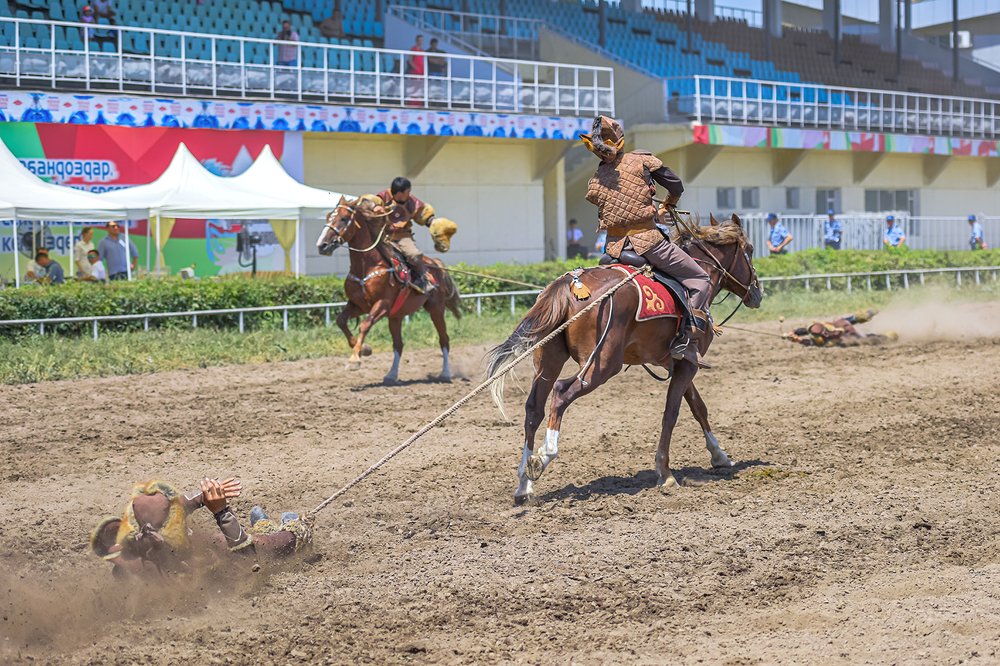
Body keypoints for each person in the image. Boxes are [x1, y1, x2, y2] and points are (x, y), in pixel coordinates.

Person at [581, 115, 711, 363]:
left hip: (613, 249)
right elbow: (676, 185)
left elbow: (614, 206)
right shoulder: (641, 161)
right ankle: (685, 340)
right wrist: (667, 205)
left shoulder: (598, 177)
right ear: (621, 140)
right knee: (700, 279)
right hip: (648, 243)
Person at [89, 478, 311, 580]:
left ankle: (267, 527)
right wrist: (222, 512)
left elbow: (175, 506)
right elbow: (249, 563)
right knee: (261, 545)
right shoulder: (143, 570)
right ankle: (292, 530)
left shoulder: (149, 537)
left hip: (213, 554)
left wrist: (205, 496)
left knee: (219, 543)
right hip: (226, 568)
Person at [374, 176, 437, 293]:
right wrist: (375, 208)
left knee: (414, 254)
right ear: (399, 193)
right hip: (381, 237)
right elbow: (369, 203)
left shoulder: (413, 201)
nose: (409, 193)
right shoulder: (382, 197)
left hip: (402, 236)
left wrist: (433, 222)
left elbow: (423, 214)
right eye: (408, 191)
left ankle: (423, 278)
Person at [783, 309, 897, 347]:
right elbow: (807, 330)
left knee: (867, 339)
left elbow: (811, 341)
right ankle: (869, 313)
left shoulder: (822, 339)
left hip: (846, 335)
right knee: (854, 319)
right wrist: (793, 333)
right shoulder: (818, 328)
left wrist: (796, 338)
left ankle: (887, 337)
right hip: (841, 326)